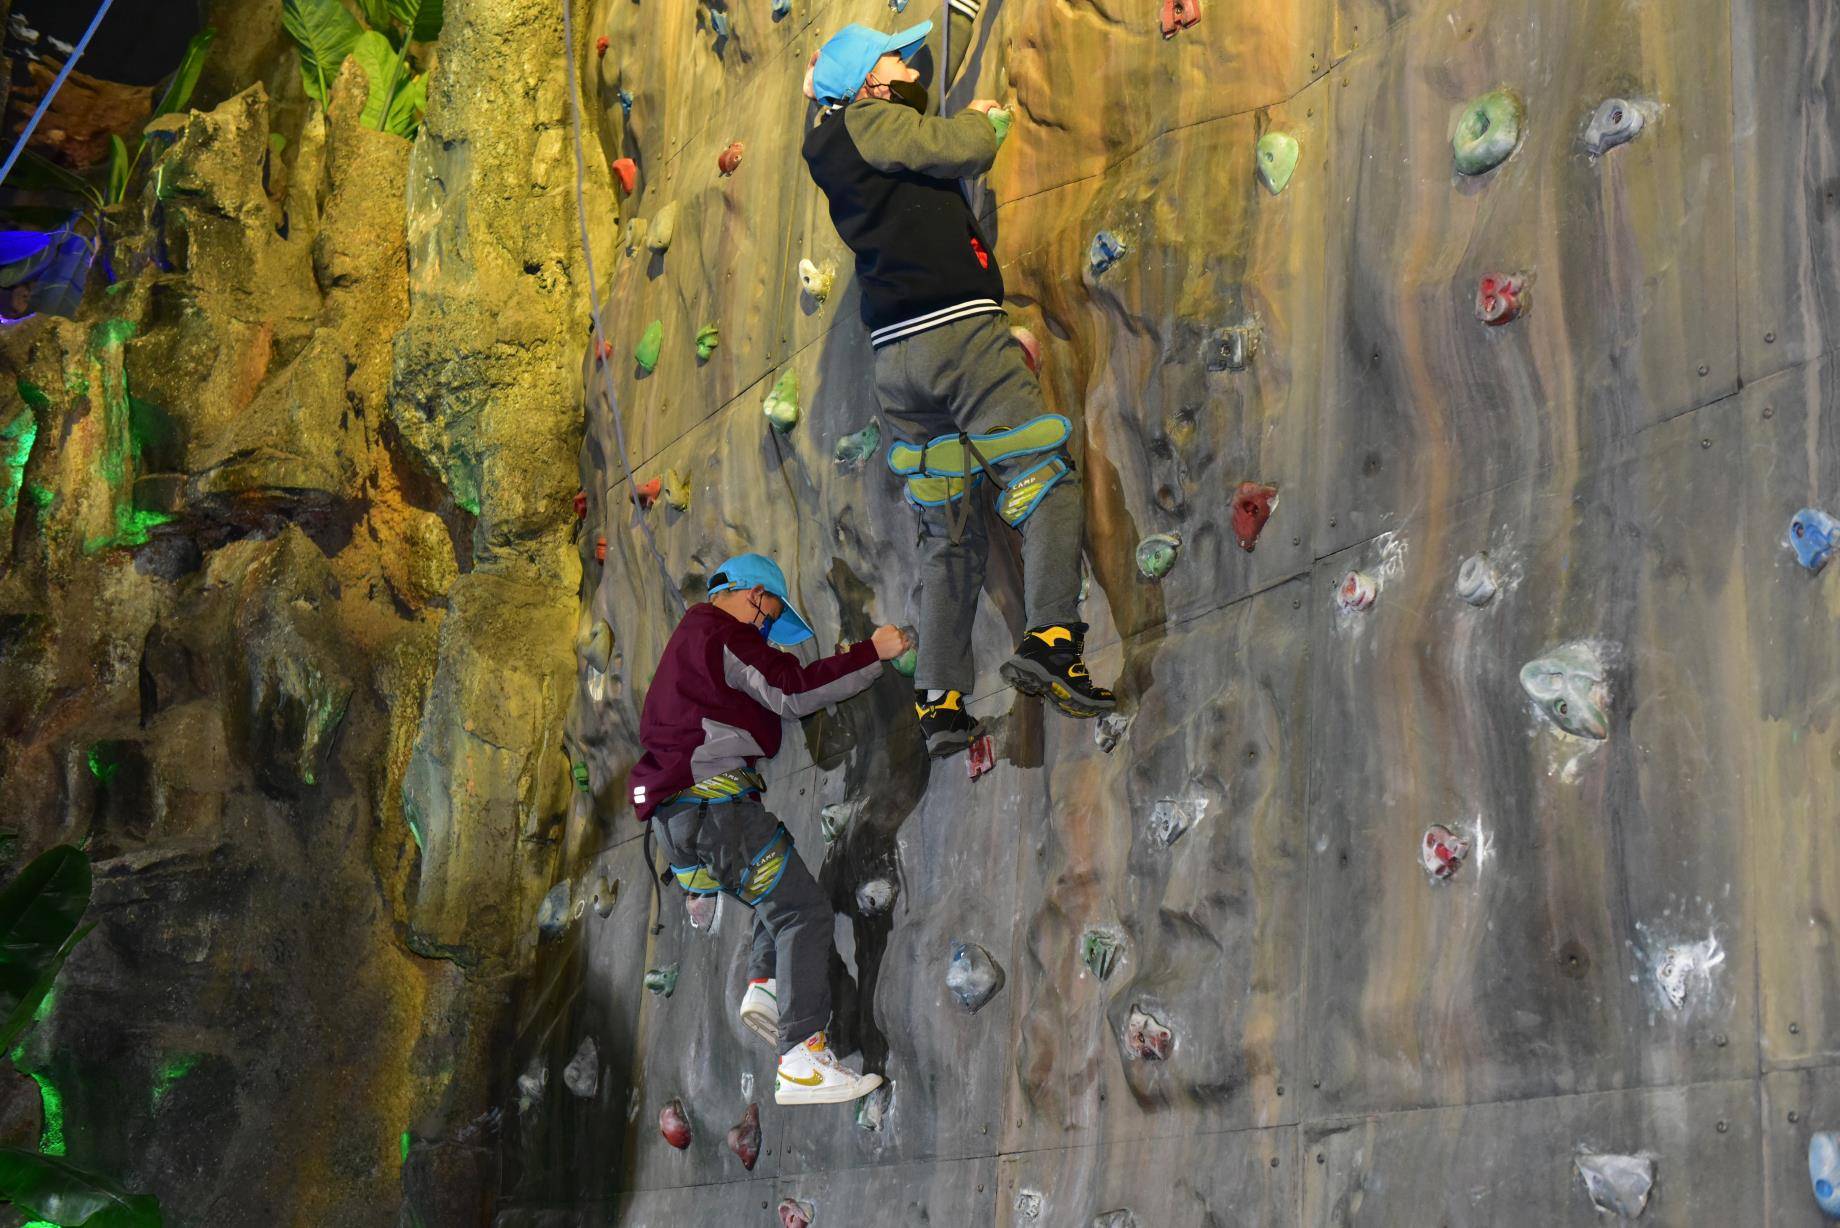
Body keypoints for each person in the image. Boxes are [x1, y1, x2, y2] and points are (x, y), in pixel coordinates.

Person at [800, 6, 1116, 761]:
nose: (910, 69)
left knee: (945, 532)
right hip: (955, 339)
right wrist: (985, 124)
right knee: (1044, 480)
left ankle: (938, 698)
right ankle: (1052, 640)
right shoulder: (870, 126)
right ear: (868, 84)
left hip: (899, 364)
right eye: (896, 62)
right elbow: (958, 147)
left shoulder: (844, 151)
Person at [629, 553, 907, 1106]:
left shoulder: (685, 649)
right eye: (768, 611)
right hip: (720, 811)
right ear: (748, 591)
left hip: (685, 819)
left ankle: (768, 983)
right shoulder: (720, 631)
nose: (765, 627)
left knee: (783, 887)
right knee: (802, 911)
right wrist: (871, 654)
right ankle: (801, 1057)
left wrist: (693, 878)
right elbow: (792, 691)